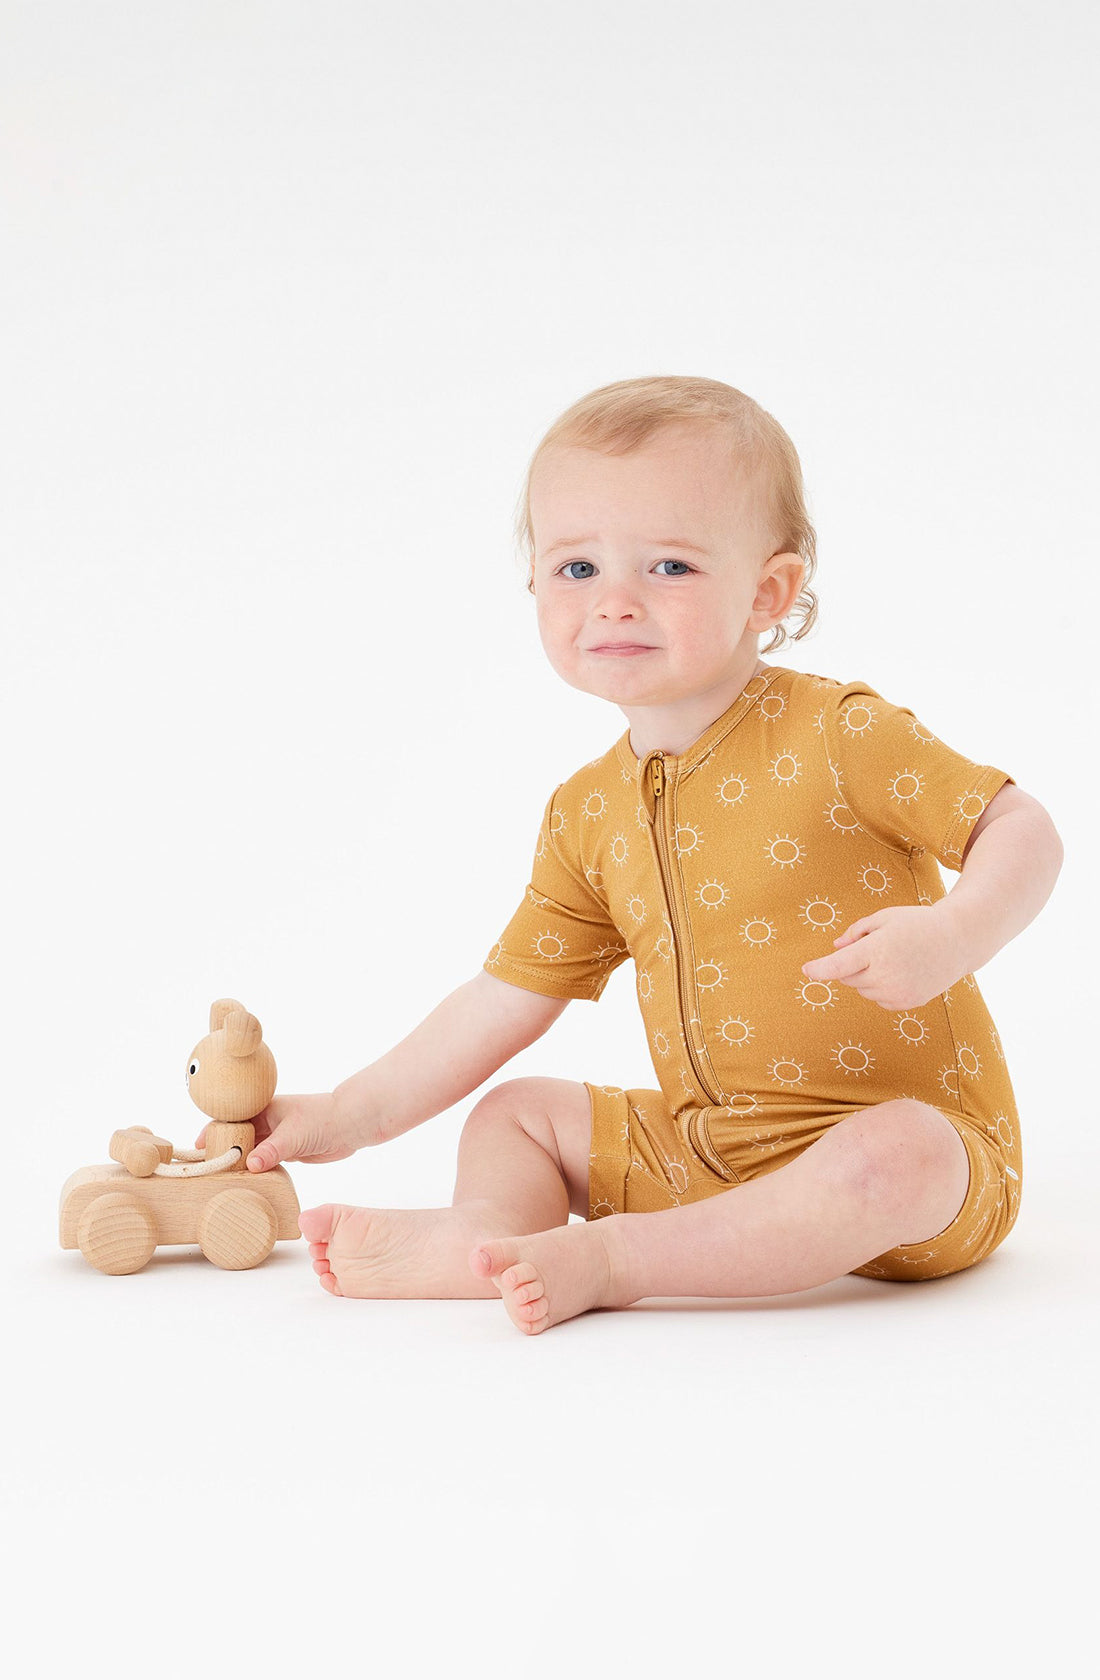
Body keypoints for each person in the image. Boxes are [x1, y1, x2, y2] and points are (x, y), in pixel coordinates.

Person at [230, 375, 1063, 1333]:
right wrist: (345, 1113)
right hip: (705, 1158)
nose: (615, 602)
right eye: (578, 569)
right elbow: (505, 999)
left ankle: (617, 1258)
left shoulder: (839, 733)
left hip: (918, 1177)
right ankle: (491, 1239)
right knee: (518, 1113)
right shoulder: (587, 813)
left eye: (668, 567)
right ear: (536, 583)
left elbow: (1023, 828)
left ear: (769, 593)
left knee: (897, 1154)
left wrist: (955, 931)